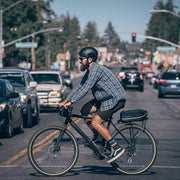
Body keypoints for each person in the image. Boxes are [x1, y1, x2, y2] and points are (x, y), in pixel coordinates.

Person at [59, 47, 126, 163]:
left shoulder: (95, 69)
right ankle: (98, 136)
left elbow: (86, 88)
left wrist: (71, 102)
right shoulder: (90, 70)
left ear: (90, 59)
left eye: (81, 59)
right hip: (104, 98)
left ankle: (116, 148)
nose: (79, 61)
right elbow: (80, 86)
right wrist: (64, 101)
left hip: (115, 99)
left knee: (95, 122)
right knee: (84, 110)